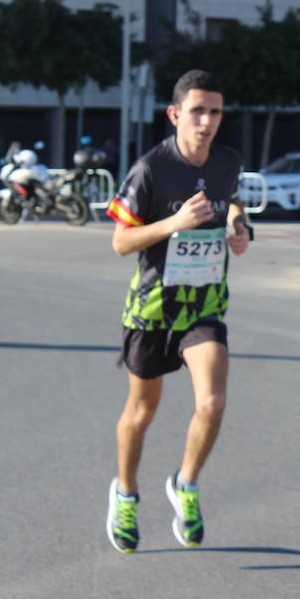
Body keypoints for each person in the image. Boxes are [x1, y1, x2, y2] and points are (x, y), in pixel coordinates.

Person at [104, 69, 252, 553]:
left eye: (215, 112)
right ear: (175, 115)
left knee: (212, 402)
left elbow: (231, 200)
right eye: (197, 111)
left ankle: (185, 485)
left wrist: (239, 226)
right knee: (143, 411)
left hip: (204, 301)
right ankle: (125, 494)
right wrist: (175, 222)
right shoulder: (151, 169)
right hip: (152, 306)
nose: (207, 121)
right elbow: (121, 242)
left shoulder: (228, 160)